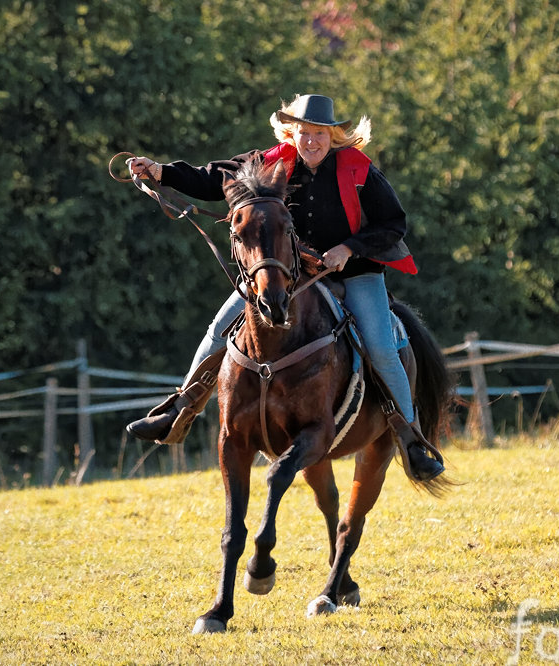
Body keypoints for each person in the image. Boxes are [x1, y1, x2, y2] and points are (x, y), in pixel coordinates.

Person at [125, 94, 444, 481]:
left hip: (355, 273)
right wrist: (161, 172)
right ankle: (179, 412)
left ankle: (411, 441)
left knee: (380, 346)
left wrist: (349, 248)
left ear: (333, 136)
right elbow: (212, 178)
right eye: (304, 133)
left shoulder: (361, 170)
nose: (311, 141)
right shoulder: (269, 162)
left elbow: (394, 224)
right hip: (287, 276)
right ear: (291, 132)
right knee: (219, 329)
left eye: (320, 134)